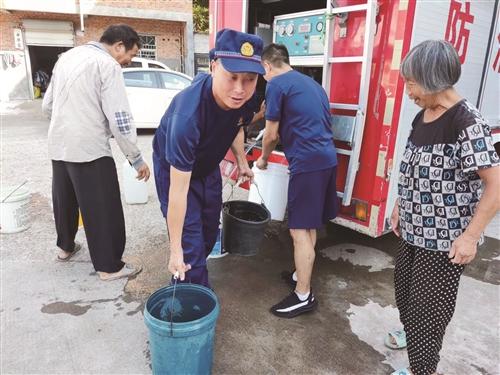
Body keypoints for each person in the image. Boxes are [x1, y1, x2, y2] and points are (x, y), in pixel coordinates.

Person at [387, 40, 500, 375]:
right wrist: (398, 204)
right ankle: (414, 341)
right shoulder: (423, 116)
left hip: (444, 243)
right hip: (412, 229)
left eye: (411, 82)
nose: (407, 90)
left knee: (427, 312)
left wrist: (470, 237)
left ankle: (422, 368)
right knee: (405, 295)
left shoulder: (467, 122)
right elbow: (412, 165)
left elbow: (495, 183)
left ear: (433, 78)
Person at [152, 28, 265, 287]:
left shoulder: (247, 98)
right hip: (177, 170)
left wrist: (241, 161)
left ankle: (188, 271)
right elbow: (178, 193)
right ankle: (191, 302)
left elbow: (236, 124)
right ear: (214, 66)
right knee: (189, 245)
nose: (239, 89)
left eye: (249, 79)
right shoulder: (187, 117)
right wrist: (175, 250)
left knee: (209, 232)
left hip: (208, 164)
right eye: (232, 76)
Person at [42, 24, 150, 281]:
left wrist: (67, 124)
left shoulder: (67, 57)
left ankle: (65, 248)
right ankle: (109, 267)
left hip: (59, 144)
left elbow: (48, 106)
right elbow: (120, 119)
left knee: (65, 199)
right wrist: (136, 158)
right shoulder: (107, 65)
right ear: (119, 46)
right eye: (131, 55)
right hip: (90, 148)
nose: (127, 61)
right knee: (102, 208)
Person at [256, 44, 339, 318]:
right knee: (309, 224)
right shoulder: (312, 84)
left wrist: (264, 159)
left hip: (308, 163)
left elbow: (270, 135)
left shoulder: (277, 85)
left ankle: (303, 295)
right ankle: (298, 275)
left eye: (262, 71)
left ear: (267, 66)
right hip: (327, 158)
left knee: (298, 230)